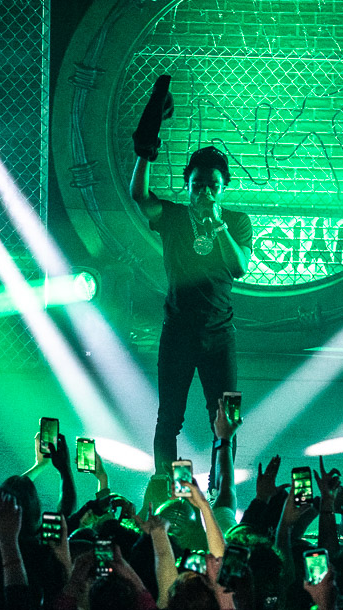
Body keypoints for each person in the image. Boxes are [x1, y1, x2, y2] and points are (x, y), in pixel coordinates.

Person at [129, 74, 253, 481]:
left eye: (212, 186)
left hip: (221, 334)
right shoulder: (175, 218)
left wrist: (217, 226)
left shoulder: (236, 221)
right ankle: (167, 490)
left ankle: (221, 491)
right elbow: (139, 196)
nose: (204, 193)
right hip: (178, 332)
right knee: (169, 419)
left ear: (224, 188)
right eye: (197, 185)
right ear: (187, 186)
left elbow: (239, 267)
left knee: (227, 420)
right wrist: (147, 149)